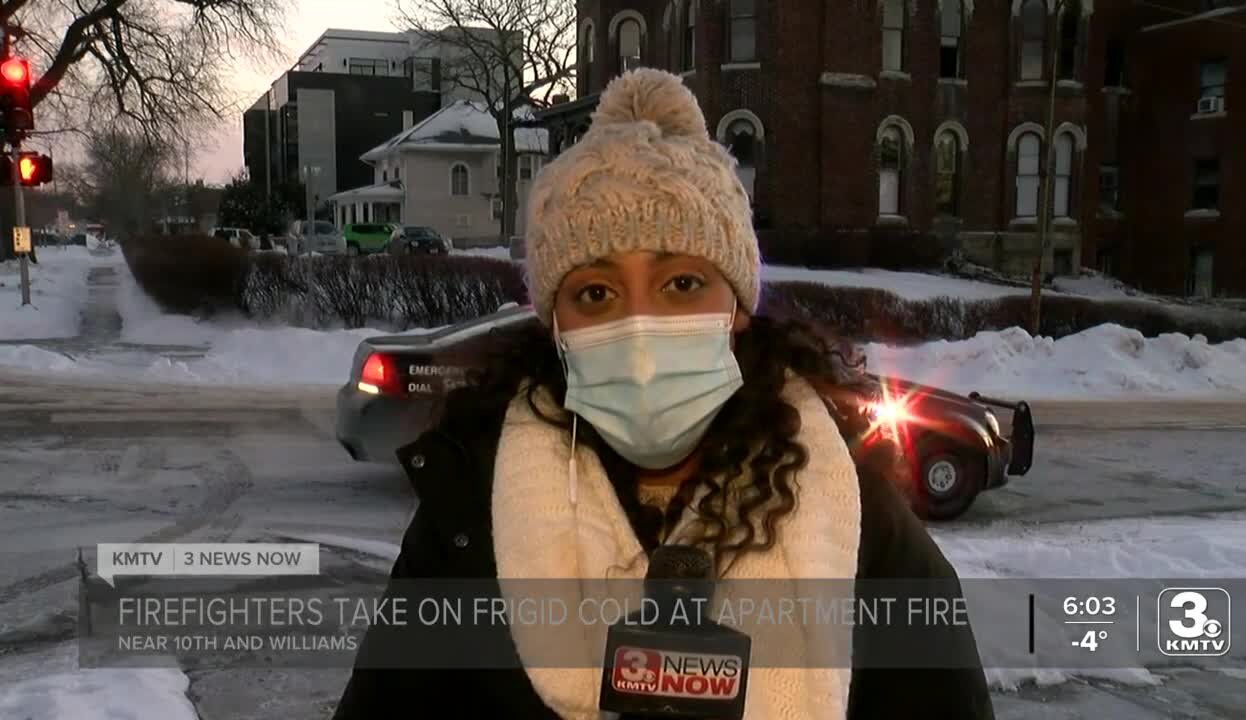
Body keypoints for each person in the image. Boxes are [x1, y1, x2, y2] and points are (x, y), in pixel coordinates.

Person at [331, 68, 992, 720]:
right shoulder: (468, 522)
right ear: (556, 326)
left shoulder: (858, 519)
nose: (639, 328)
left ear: (735, 306)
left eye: (680, 284)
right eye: (596, 293)